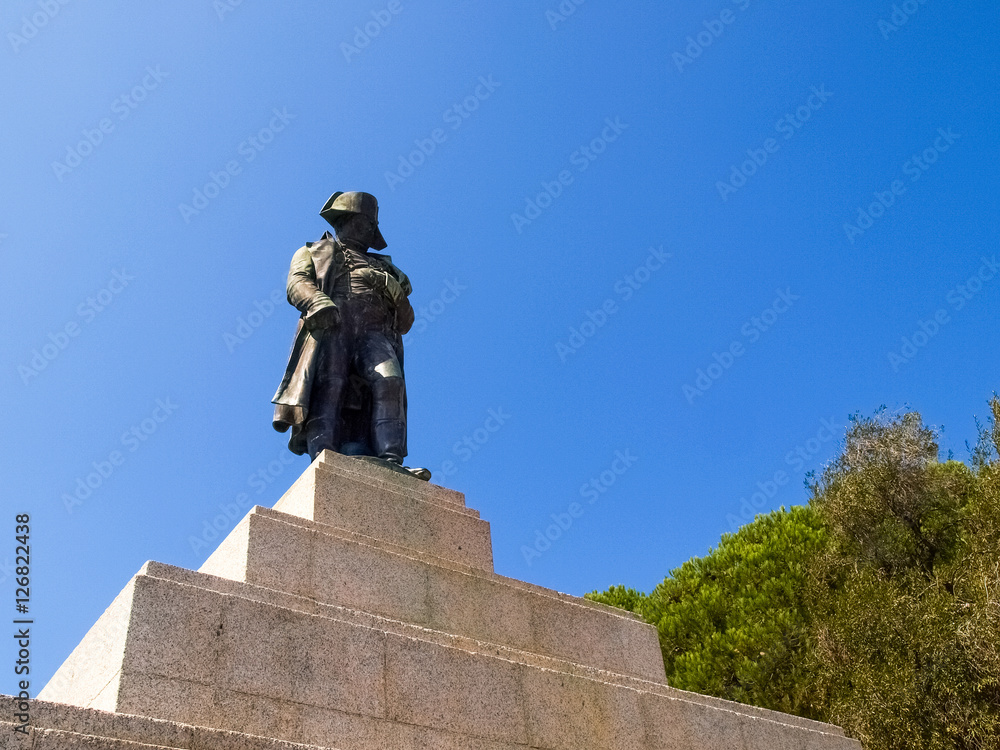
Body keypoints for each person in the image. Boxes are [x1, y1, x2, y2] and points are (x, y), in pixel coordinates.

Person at [271, 192, 430, 480]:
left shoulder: (388, 269)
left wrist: (396, 293)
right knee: (329, 388)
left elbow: (406, 322)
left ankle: (391, 460)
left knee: (390, 381)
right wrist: (317, 302)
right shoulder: (313, 251)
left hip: (375, 332)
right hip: (333, 325)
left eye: (372, 225)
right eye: (366, 222)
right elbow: (296, 284)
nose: (370, 230)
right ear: (346, 220)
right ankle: (323, 460)